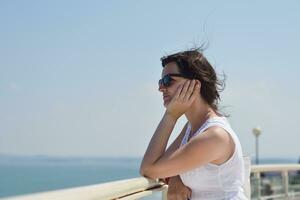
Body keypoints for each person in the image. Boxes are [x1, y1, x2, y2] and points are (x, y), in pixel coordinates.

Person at [139, 47, 246, 200]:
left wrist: (170, 116)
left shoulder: (214, 135)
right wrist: (175, 178)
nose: (161, 88)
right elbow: (161, 165)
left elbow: (149, 169)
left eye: (168, 80)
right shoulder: (192, 127)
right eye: (161, 81)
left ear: (195, 84)